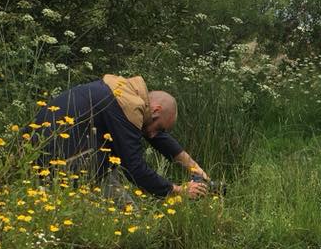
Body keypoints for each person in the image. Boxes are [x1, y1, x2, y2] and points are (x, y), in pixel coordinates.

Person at [31, 74, 209, 199]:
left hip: (40, 158)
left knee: (125, 206)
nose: (154, 135)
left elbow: (155, 135)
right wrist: (178, 190)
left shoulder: (123, 94)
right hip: (53, 168)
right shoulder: (125, 106)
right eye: (160, 127)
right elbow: (135, 168)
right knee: (125, 207)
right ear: (156, 110)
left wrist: (197, 171)